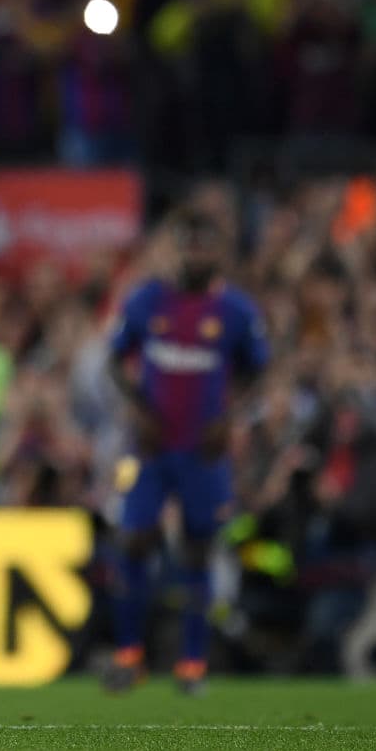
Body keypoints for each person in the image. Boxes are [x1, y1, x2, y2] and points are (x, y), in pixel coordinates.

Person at [103, 208, 269, 693]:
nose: (194, 254)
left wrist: (229, 417)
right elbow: (115, 358)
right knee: (133, 539)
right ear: (175, 248)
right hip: (151, 448)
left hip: (203, 450)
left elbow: (257, 369)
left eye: (203, 244)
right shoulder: (146, 300)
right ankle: (129, 655)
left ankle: (192, 664)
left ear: (218, 253)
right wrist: (139, 409)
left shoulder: (237, 311)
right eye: (188, 243)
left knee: (198, 549)